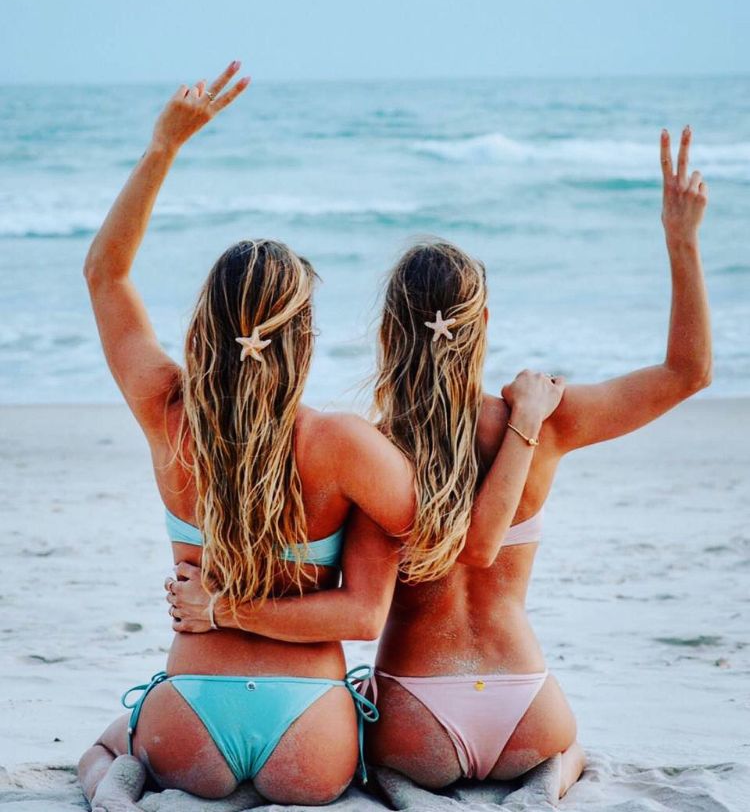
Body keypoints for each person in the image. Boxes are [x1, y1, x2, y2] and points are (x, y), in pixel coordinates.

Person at [171, 127, 710, 801]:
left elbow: (363, 600)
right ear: (480, 321)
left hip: (415, 715)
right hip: (525, 708)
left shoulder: (371, 452)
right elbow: (688, 372)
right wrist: (681, 240)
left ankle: (401, 785)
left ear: (389, 332)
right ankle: (552, 776)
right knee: (570, 747)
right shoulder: (542, 419)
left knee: (373, 741)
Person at [78, 63, 420, 811]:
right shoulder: (346, 448)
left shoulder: (167, 410)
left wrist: (165, 145)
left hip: (190, 714)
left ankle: (118, 783)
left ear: (206, 325)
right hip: (310, 726)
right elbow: (383, 593)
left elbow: (105, 274)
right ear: (301, 336)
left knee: (106, 747)